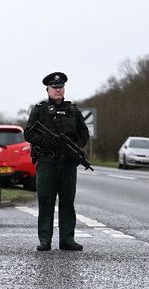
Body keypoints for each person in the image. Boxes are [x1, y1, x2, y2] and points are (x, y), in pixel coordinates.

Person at [24, 72, 89, 251]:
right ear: (48, 90)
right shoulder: (39, 110)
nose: (58, 90)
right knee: (46, 200)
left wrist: (74, 147)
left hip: (68, 163)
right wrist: (48, 141)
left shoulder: (73, 111)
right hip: (47, 162)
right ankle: (45, 239)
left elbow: (84, 133)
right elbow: (28, 133)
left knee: (67, 201)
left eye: (60, 87)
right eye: (54, 88)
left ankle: (67, 239)